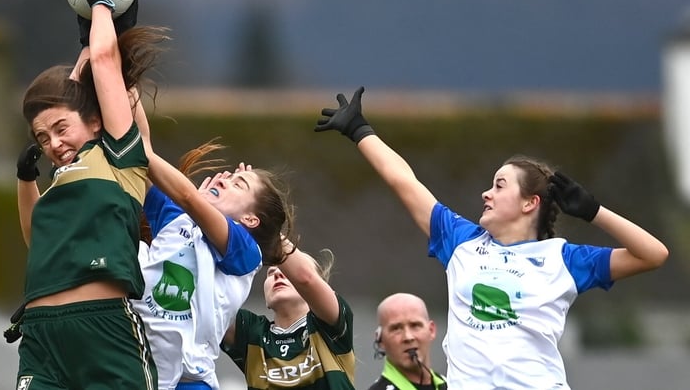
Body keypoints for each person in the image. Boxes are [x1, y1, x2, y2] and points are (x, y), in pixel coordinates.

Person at [314, 87, 670, 390]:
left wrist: (594, 211)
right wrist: (360, 130)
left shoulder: (564, 258)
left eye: (499, 185)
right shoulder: (462, 241)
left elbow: (653, 254)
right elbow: (404, 182)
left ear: (531, 203)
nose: (486, 193)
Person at [12, 0, 168, 389]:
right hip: (41, 333)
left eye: (61, 128)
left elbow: (102, 61)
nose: (53, 143)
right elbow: (36, 240)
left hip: (103, 330)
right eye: (42, 137)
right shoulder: (59, 182)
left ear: (96, 122)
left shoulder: (119, 156)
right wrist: (27, 179)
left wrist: (100, 3)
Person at [131, 144, 296, 390]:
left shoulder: (245, 249)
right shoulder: (178, 219)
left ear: (250, 219)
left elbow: (186, 194)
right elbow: (141, 151)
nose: (226, 180)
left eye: (238, 184)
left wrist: (130, 144)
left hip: (188, 381)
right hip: (136, 368)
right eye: (228, 177)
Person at [222, 239, 356, 390]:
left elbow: (306, 278)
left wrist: (262, 223)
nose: (278, 274)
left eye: (288, 273)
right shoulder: (251, 333)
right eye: (271, 273)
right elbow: (207, 303)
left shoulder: (329, 328)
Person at [369, 293, 447, 390]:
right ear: (380, 340)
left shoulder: (453, 384)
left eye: (415, 325)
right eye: (396, 329)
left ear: (431, 330)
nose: (408, 337)